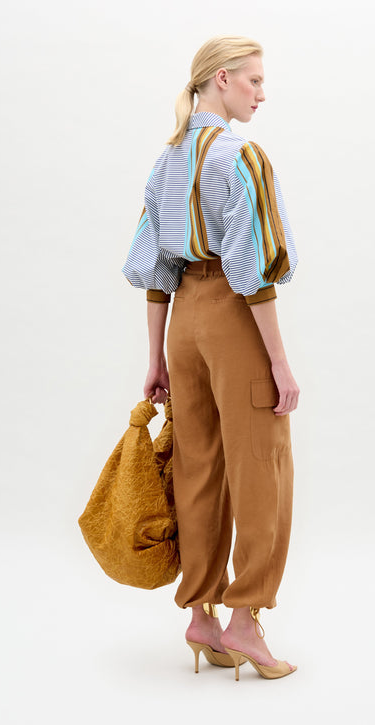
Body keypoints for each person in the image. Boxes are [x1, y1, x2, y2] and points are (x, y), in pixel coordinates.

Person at [121, 34, 299, 680]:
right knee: (262, 465)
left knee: (197, 467)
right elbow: (254, 272)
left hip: (182, 328)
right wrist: (279, 362)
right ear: (220, 80)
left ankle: (201, 611)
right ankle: (246, 619)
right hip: (231, 314)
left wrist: (157, 357)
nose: (261, 92)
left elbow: (155, 269)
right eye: (252, 79)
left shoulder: (166, 161)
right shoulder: (241, 156)